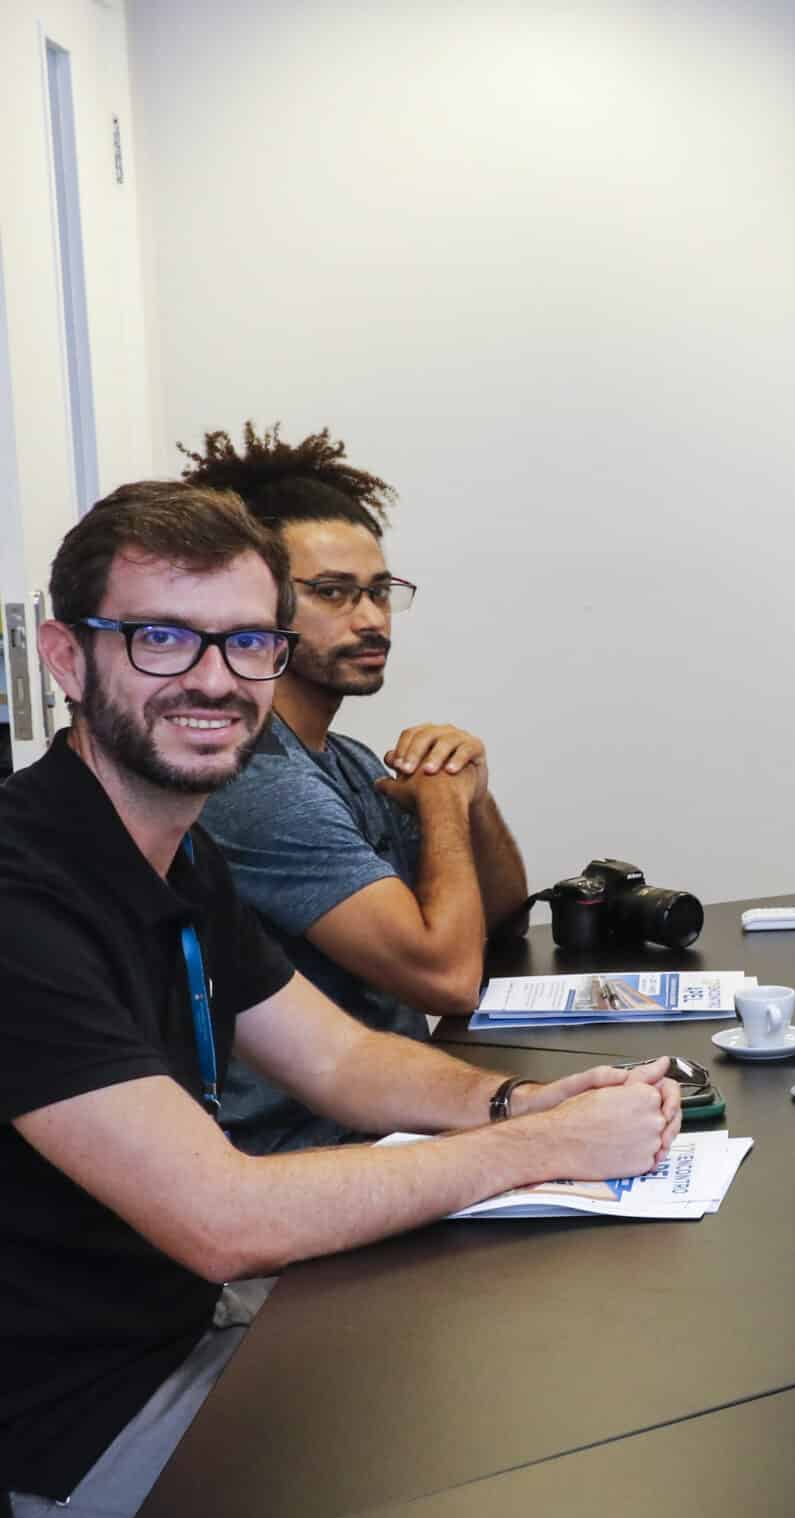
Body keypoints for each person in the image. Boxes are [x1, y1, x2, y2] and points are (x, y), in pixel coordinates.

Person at [0, 483, 679, 1518]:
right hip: (60, 1439)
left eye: (247, 642)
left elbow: (341, 1057)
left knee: (528, 1373)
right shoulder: (23, 892)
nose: (214, 680)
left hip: (175, 1339)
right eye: (162, 640)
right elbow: (219, 1217)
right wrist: (536, 1153)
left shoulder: (175, 850)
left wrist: (516, 1103)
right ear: (67, 659)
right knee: (497, 1475)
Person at [183, 424, 528, 1154]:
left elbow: (495, 916)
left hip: (395, 1122)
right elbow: (449, 976)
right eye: (334, 594)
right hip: (313, 1158)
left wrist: (473, 795)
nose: (370, 619)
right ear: (258, 605)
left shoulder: (341, 756)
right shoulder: (258, 781)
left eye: (379, 592)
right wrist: (438, 801)